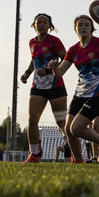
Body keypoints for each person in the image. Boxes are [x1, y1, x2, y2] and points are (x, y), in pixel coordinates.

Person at [47, 15, 99, 163]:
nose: (83, 27)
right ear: (75, 29)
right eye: (80, 25)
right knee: (68, 129)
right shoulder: (72, 50)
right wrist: (53, 68)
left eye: (86, 25)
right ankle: (78, 161)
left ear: (92, 28)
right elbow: (60, 73)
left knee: (76, 128)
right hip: (80, 92)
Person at [20, 13, 68, 163]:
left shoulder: (55, 41)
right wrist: (27, 73)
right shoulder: (32, 42)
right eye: (38, 22)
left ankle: (72, 149)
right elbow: (34, 59)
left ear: (50, 26)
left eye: (44, 22)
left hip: (55, 85)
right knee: (32, 120)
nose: (41, 24)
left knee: (61, 121)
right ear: (34, 25)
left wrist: (48, 70)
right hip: (38, 86)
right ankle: (34, 154)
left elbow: (66, 59)